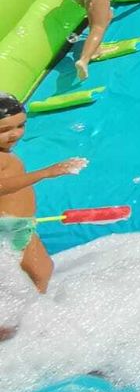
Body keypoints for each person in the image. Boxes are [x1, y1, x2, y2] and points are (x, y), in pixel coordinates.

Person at [0, 93, 88, 293]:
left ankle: (28, 308)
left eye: (20, 125)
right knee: (40, 272)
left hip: (16, 224)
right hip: (9, 226)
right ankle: (30, 309)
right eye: (4, 130)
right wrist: (45, 173)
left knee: (40, 272)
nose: (15, 134)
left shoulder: (4, 153)